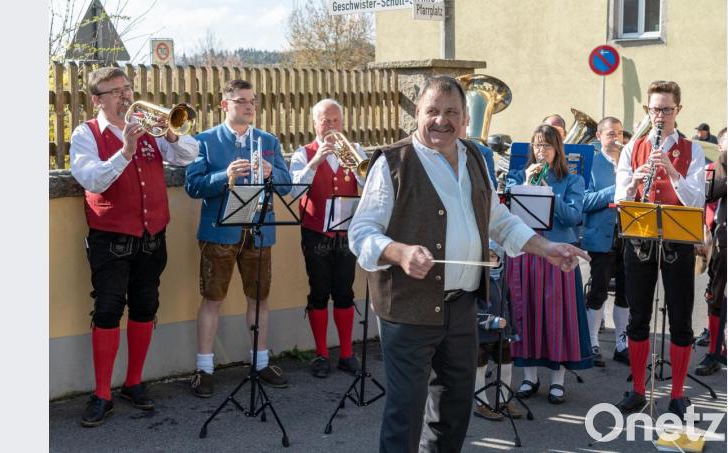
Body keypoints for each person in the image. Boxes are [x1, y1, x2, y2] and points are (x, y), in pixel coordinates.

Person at [348, 75, 590, 453]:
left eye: (451, 112)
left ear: (465, 120)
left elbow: (498, 220)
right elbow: (361, 232)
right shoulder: (393, 162)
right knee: (405, 413)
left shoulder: (475, 156)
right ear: (417, 113)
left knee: (455, 407)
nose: (441, 120)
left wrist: (547, 247)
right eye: (432, 111)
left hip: (462, 308)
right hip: (407, 310)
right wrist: (398, 252)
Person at [69, 67, 199, 427]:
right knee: (108, 310)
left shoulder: (148, 129)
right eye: (116, 91)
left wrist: (170, 133)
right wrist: (126, 149)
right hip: (110, 238)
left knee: (146, 305)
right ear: (97, 99)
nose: (126, 96)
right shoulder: (86, 134)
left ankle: (134, 382)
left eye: (127, 89)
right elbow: (91, 178)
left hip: (152, 234)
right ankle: (101, 394)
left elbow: (189, 156)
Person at [185, 79, 292, 397]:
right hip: (220, 231)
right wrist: (225, 176)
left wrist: (273, 172)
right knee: (213, 299)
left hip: (260, 231)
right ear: (225, 105)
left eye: (253, 101)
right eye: (242, 101)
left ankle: (260, 362)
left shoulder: (268, 141)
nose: (249, 106)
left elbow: (287, 187)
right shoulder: (202, 141)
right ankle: (204, 368)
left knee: (259, 298)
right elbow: (193, 186)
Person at [613, 80, 706, 418]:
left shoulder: (692, 150)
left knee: (680, 319)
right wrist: (635, 182)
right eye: (655, 110)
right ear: (648, 111)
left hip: (678, 240)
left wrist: (671, 171)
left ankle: (678, 394)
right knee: (638, 317)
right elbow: (619, 198)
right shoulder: (632, 148)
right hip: (640, 237)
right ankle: (638, 389)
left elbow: (697, 200)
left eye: (666, 110)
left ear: (678, 110)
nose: (660, 117)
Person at [506, 124, 593, 405]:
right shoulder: (519, 176)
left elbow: (572, 217)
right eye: (537, 145)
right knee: (526, 313)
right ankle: (529, 377)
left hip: (558, 257)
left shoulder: (572, 180)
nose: (541, 151)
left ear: (558, 149)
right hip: (527, 253)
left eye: (547, 145)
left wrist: (548, 193)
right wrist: (525, 187)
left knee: (557, 317)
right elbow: (506, 214)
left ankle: (557, 380)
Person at [288, 99, 367, 378]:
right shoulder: (302, 153)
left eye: (336, 120)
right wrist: (316, 160)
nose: (331, 126)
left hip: (346, 233)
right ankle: (321, 354)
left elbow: (370, 188)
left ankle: (346, 353)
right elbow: (294, 191)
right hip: (315, 233)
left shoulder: (356, 151)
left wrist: (357, 168)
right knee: (319, 291)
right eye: (325, 120)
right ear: (315, 124)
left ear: (343, 123)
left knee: (345, 292)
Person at [582, 116, 630, 367]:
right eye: (610, 133)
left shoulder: (629, 160)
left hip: (629, 233)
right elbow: (585, 201)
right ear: (599, 136)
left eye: (620, 133)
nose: (616, 138)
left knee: (627, 291)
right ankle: (592, 342)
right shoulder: (591, 163)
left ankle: (622, 344)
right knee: (598, 290)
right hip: (602, 236)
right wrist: (617, 189)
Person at [473, 240, 521, 421]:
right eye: (488, 256)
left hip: (501, 333)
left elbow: (508, 305)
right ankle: (481, 403)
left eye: (495, 256)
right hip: (482, 334)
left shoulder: (501, 277)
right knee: (480, 368)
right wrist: (490, 321)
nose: (492, 260)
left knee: (507, 365)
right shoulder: (476, 279)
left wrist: (512, 328)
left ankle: (503, 400)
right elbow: (471, 309)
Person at [695, 127, 727, 376]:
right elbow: (709, 194)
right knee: (715, 297)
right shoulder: (716, 170)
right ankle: (715, 352)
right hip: (722, 241)